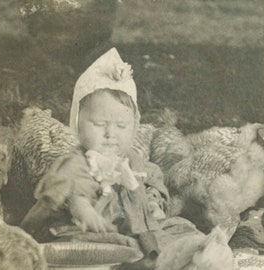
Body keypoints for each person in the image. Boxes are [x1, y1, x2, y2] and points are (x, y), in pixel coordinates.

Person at [20, 48, 199, 269]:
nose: (110, 134)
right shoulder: (75, 163)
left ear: (134, 126)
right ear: (76, 124)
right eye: (98, 124)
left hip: (138, 230)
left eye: (121, 126)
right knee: (73, 249)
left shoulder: (136, 162)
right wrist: (76, 205)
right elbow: (52, 200)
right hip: (88, 234)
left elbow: (154, 185)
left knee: (183, 233)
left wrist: (153, 201)